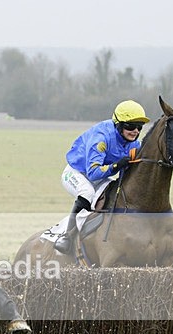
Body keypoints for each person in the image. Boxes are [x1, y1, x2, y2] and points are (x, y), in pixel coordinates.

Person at [53, 100, 150, 255]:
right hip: (77, 173)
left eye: (139, 127)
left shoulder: (134, 144)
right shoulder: (101, 138)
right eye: (131, 126)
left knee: (113, 193)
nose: (135, 131)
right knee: (87, 193)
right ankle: (67, 237)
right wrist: (117, 166)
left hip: (100, 177)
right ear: (118, 124)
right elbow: (93, 173)